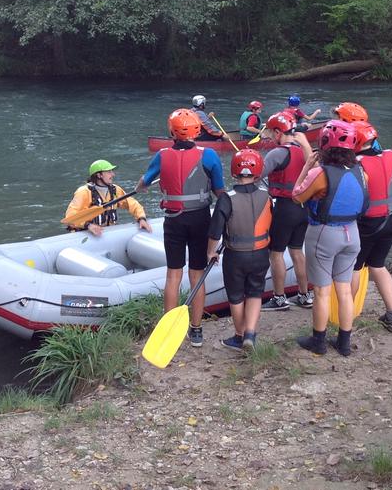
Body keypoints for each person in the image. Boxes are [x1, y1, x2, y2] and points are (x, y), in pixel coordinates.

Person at [136, 109, 225, 348]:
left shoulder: (162, 155)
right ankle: (196, 331)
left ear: (172, 131)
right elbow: (220, 193)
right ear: (197, 130)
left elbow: (144, 184)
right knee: (197, 275)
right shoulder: (210, 156)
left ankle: (167, 330)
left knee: (173, 274)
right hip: (200, 220)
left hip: (173, 220)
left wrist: (142, 185)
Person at [291, 121, 369, 356]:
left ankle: (319, 342)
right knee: (344, 290)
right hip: (352, 233)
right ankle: (344, 343)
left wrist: (306, 166)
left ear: (325, 144)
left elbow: (297, 196)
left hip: (324, 233)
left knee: (322, 292)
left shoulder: (320, 172)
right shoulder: (361, 170)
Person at [351, 121, 392, 334]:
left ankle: (346, 317)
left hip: (368, 223)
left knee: (355, 267)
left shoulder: (356, 164)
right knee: (377, 265)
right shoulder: (390, 156)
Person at [207, 149, 272, 350]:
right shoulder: (267, 196)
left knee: (236, 296)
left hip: (236, 256)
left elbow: (215, 231)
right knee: (254, 293)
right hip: (261, 253)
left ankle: (238, 335)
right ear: (258, 173)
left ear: (235, 173)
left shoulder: (227, 198)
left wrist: (211, 252)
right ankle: (250, 334)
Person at [259, 112, 313, 311]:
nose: (271, 138)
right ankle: (304, 295)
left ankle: (279, 298)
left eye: (272, 134)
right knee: (297, 251)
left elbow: (257, 174)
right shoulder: (304, 151)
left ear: (277, 132)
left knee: (276, 254)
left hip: (284, 207)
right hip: (303, 207)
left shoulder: (278, 153)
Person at [64, 159, 151, 236]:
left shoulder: (115, 190)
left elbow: (133, 204)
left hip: (106, 233)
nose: (113, 174)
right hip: (85, 233)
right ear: (99, 175)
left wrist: (141, 218)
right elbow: (70, 217)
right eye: (109, 171)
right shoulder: (84, 192)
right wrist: (88, 225)